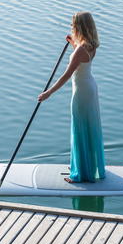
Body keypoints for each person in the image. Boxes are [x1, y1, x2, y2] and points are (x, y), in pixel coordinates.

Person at [38, 11, 105, 183]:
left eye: (73, 24)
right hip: (90, 87)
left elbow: (65, 76)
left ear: (80, 26)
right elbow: (82, 60)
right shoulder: (92, 45)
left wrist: (48, 93)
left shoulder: (80, 50)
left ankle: (79, 174)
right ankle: (82, 164)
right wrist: (74, 44)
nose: (71, 26)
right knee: (88, 128)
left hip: (81, 92)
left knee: (80, 128)